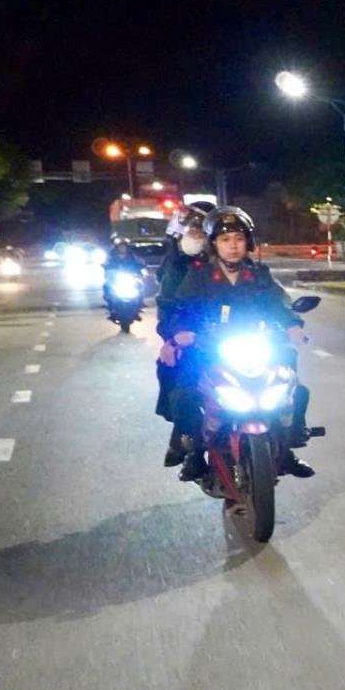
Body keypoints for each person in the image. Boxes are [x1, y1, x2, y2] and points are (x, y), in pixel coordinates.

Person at [163, 206, 314, 481]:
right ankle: (195, 452)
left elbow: (277, 303)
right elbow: (181, 309)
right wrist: (181, 333)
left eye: (239, 239)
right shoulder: (198, 276)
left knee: (293, 382)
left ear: (248, 243)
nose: (233, 246)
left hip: (256, 344)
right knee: (184, 392)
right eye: (225, 239)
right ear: (214, 244)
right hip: (209, 347)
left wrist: (292, 325)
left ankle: (288, 444)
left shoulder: (259, 275)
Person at [154, 202, 214, 465]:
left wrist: (287, 324)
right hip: (193, 338)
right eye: (192, 228)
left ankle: (286, 439)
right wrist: (173, 338)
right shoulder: (177, 265)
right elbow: (168, 307)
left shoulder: (235, 261)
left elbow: (263, 297)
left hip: (233, 333)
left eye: (201, 228)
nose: (195, 233)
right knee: (177, 379)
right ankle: (188, 439)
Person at [101, 239, 144, 309]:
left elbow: (139, 263)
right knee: (106, 285)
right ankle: (110, 303)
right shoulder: (111, 257)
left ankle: (140, 303)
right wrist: (106, 267)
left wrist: (140, 267)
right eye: (120, 247)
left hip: (130, 276)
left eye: (123, 246)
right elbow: (106, 264)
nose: (122, 248)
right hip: (116, 277)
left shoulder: (132, 256)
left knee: (140, 284)